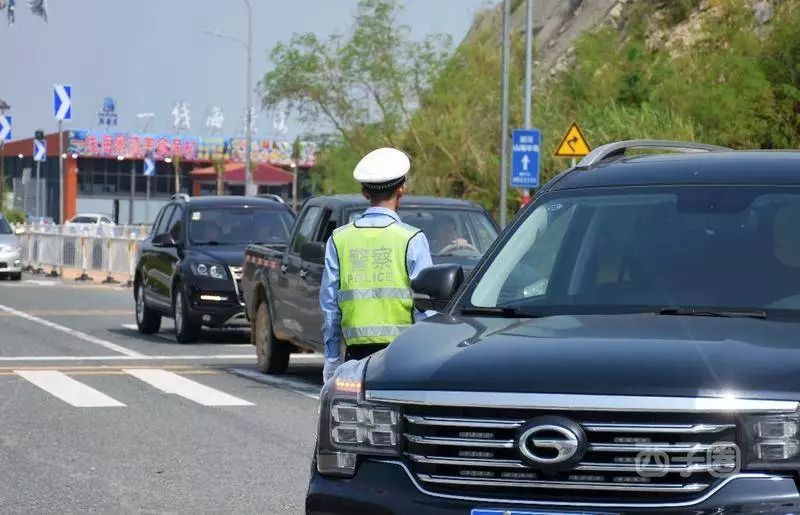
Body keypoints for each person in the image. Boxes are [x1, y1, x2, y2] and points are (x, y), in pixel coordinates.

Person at [320, 147, 433, 382]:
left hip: (355, 358)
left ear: (364, 192)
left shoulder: (339, 239)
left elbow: (330, 308)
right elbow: (426, 305)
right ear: (401, 189)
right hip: (402, 355)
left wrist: (331, 358)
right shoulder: (412, 239)